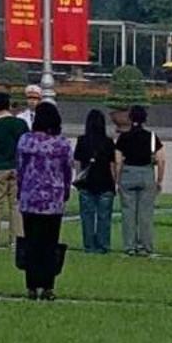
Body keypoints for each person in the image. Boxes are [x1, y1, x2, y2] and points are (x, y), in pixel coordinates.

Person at [15, 100, 73, 300]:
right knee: (49, 244)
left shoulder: (25, 141)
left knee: (31, 243)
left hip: (30, 199)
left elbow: (20, 169)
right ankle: (48, 286)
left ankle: (31, 286)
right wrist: (66, 191)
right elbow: (67, 171)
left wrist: (20, 190)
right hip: (53, 201)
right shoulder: (62, 144)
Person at [115, 105, 166, 256]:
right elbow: (161, 160)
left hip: (128, 173)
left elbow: (118, 161)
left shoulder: (123, 137)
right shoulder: (152, 137)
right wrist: (159, 180)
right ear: (144, 119)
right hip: (146, 173)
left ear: (130, 118)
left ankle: (129, 246)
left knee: (128, 212)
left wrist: (117, 180)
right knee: (145, 214)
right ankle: (145, 246)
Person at [0, 91, 28, 250]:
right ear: (9, 105)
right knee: (16, 205)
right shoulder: (21, 124)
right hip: (18, 167)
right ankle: (17, 240)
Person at [73, 107, 117, 255]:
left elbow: (77, 162)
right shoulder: (109, 142)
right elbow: (112, 164)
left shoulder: (82, 140)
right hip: (105, 182)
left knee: (87, 217)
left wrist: (79, 177)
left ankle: (89, 245)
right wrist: (114, 181)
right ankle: (103, 245)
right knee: (104, 217)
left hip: (87, 183)